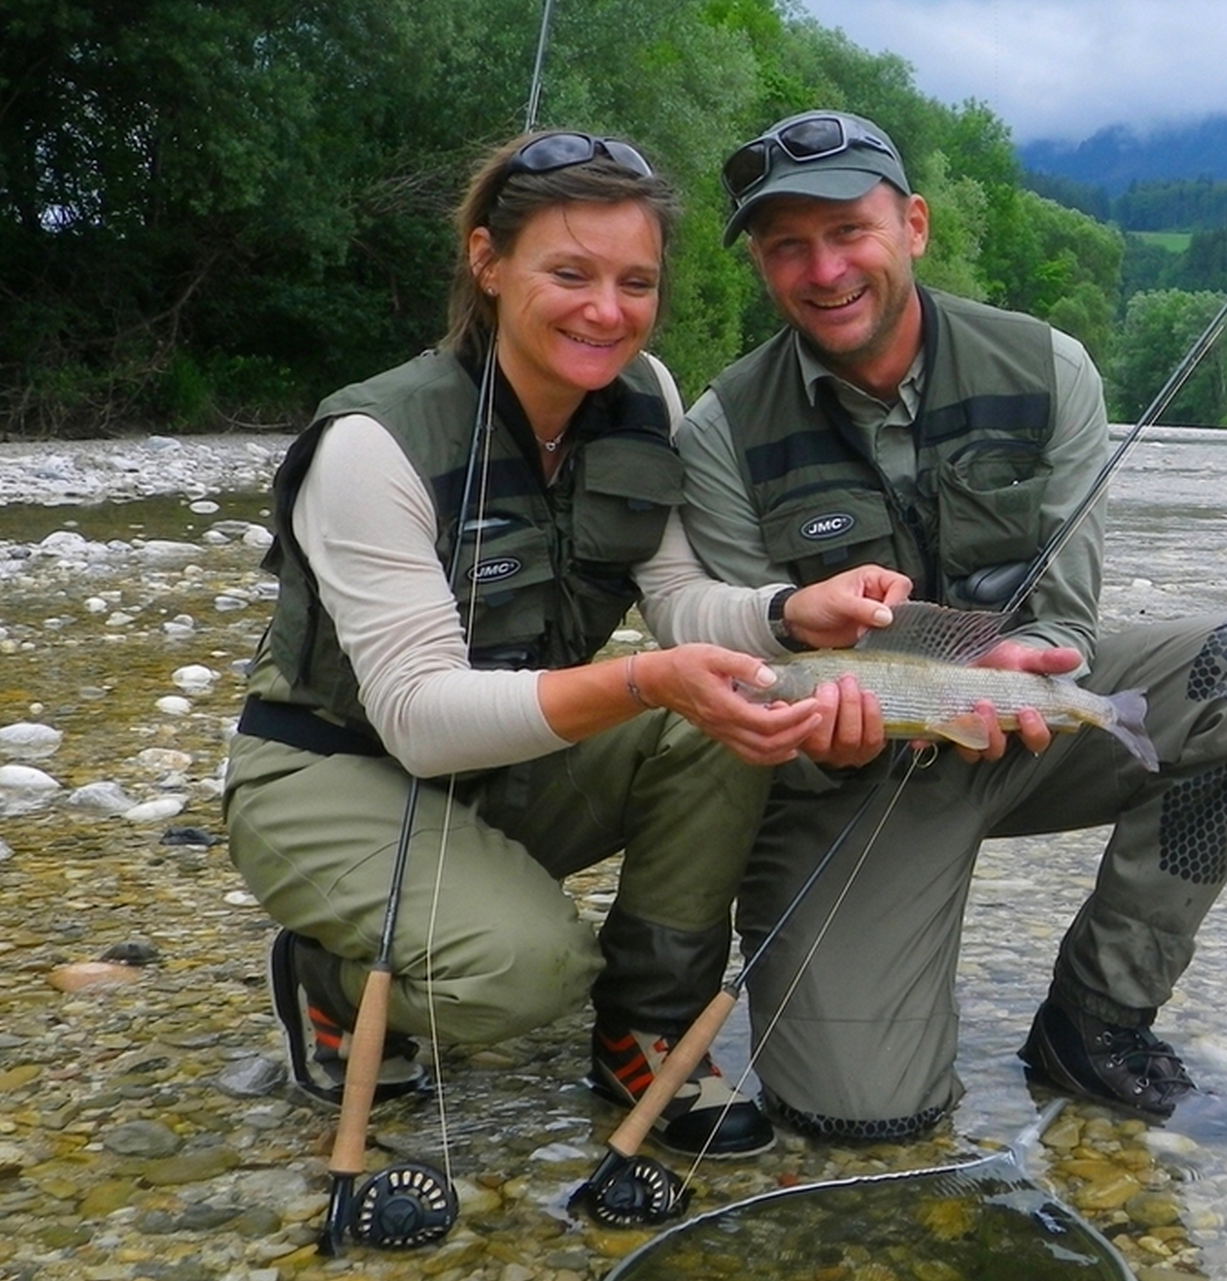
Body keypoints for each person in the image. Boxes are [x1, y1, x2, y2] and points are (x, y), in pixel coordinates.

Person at [222, 129, 907, 1161]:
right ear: (488, 264)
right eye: (570, 273)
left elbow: (675, 598)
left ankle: (646, 1029)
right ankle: (321, 980)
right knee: (525, 975)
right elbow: (416, 721)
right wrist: (640, 681)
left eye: (636, 282)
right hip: (334, 769)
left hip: (503, 765)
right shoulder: (374, 442)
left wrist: (786, 613)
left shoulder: (648, 400)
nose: (607, 309)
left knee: (735, 712)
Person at [659, 109, 1227, 1140]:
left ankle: (1098, 1018)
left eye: (848, 231)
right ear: (758, 265)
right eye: (786, 245)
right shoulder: (720, 430)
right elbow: (750, 661)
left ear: (912, 225)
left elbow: (1067, 621)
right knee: (862, 1118)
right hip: (845, 776)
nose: (823, 269)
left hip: (1019, 727)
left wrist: (1037, 659)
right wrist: (813, 743)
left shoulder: (1047, 369)